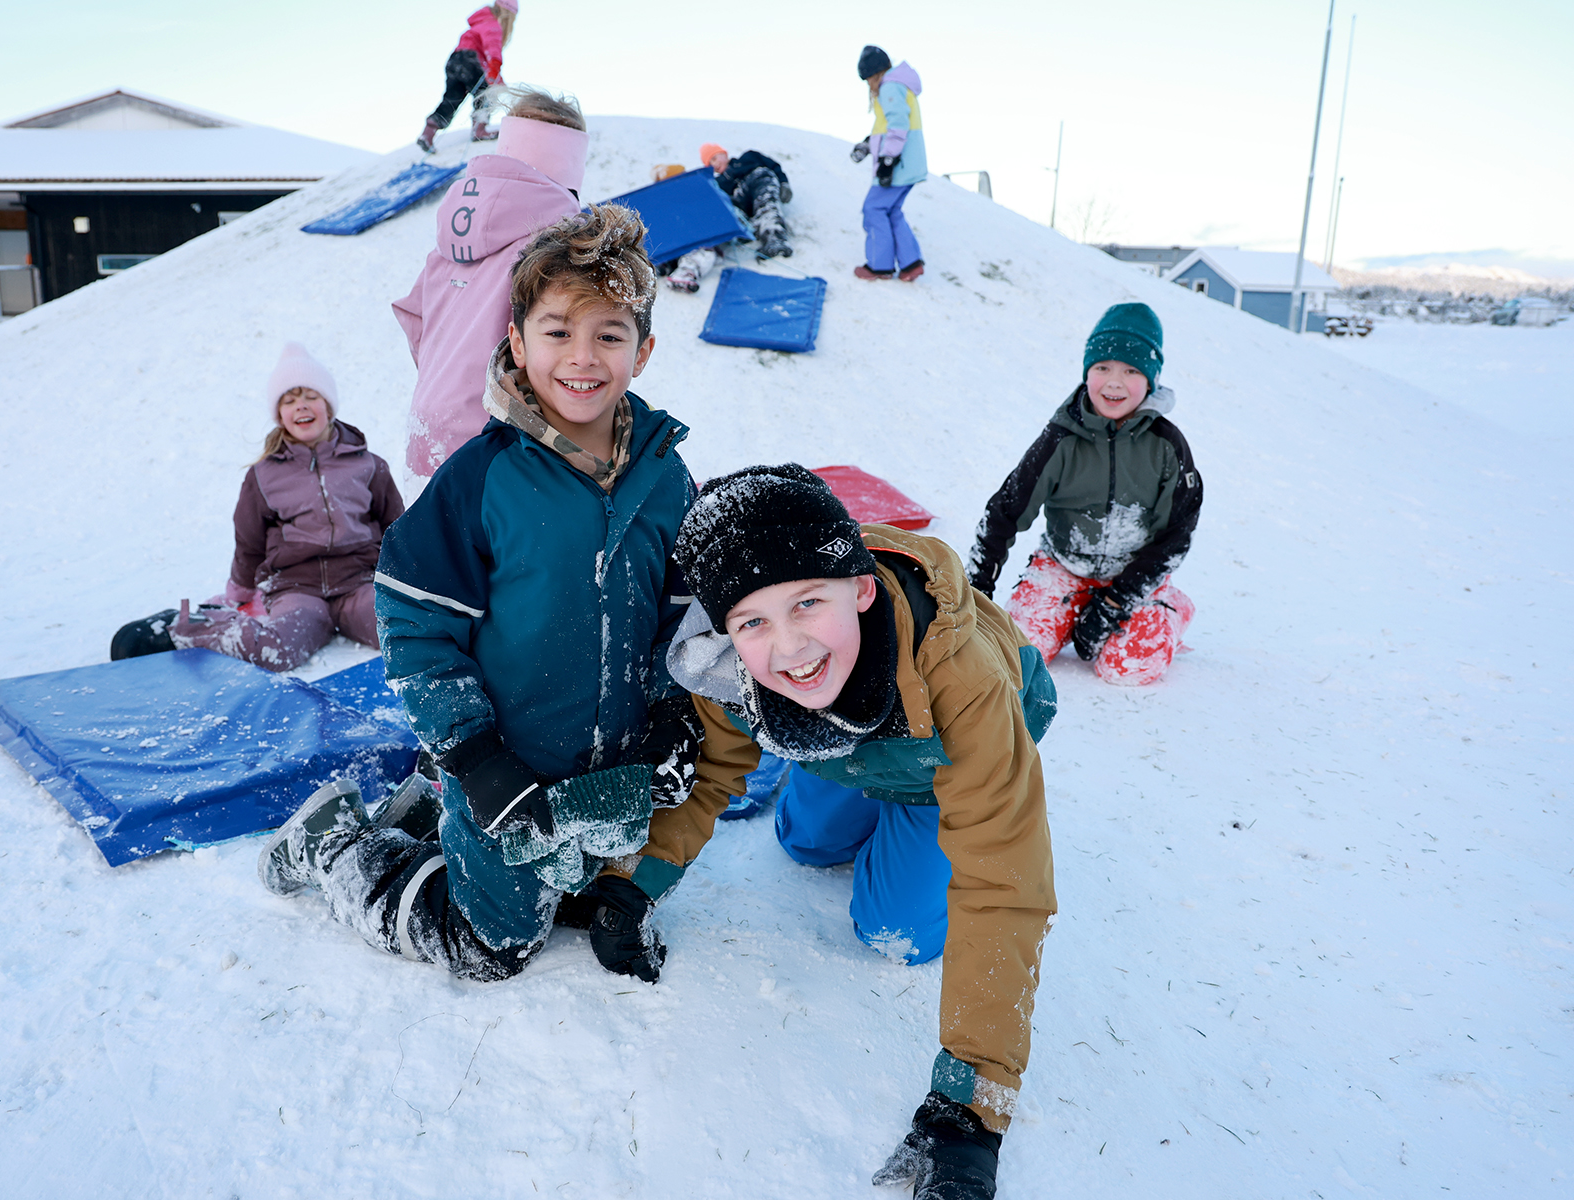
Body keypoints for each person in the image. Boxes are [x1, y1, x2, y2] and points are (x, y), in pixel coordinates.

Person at [260, 205, 700, 985]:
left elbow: (675, 617)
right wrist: (472, 754)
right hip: (504, 769)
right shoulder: (483, 476)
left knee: (573, 894)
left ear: (644, 349)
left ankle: (421, 818)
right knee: (490, 946)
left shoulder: (665, 477)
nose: (582, 356)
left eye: (609, 333)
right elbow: (415, 623)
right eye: (558, 330)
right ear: (518, 341)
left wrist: (670, 712)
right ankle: (337, 842)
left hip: (606, 779)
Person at [651, 465, 1055, 1200]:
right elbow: (711, 767)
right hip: (856, 743)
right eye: (752, 622)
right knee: (803, 842)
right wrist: (634, 879)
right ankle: (847, 767)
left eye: (808, 603)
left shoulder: (962, 676)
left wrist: (972, 1103)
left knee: (896, 929)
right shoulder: (735, 667)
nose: (789, 646)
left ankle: (908, 815)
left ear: (861, 589)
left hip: (942, 761)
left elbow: (1002, 880)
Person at [966, 303, 1202, 686]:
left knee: (1126, 669)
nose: (1114, 382)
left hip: (1133, 574)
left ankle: (1171, 607)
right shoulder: (1061, 438)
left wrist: (1115, 603)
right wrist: (976, 590)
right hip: (1063, 566)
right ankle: (1066, 607)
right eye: (1102, 368)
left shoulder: (1166, 445)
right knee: (1015, 658)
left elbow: (1177, 534)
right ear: (1086, 372)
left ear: (1151, 380)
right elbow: (1006, 510)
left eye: (1131, 370)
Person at [152, 342, 404, 671]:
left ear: (328, 404)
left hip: (358, 583)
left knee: (402, 637)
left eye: (310, 396)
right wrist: (239, 592)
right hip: (298, 589)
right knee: (277, 652)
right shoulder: (264, 475)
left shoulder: (368, 465)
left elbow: (396, 528)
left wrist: (406, 581)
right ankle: (193, 626)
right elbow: (249, 541)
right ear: (280, 414)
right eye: (289, 400)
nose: (301, 406)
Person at [393, 87, 589, 481]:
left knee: (434, 539)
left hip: (429, 428)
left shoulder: (451, 235)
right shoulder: (557, 242)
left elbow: (414, 315)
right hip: (497, 444)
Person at [661, 143, 795, 293]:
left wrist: (784, 183)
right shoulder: (719, 183)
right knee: (713, 209)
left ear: (724, 154)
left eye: (714, 158)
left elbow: (773, 166)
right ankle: (673, 263)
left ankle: (774, 238)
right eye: (709, 163)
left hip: (757, 183)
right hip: (740, 213)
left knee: (763, 181)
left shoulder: (748, 158)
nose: (714, 165)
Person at [850, 45, 927, 282]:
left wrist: (888, 160)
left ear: (877, 74)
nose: (870, 87)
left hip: (899, 165)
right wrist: (867, 144)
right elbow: (886, 126)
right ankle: (910, 263)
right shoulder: (898, 86)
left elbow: (898, 124)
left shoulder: (890, 86)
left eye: (869, 80)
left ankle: (879, 265)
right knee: (891, 210)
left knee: (874, 209)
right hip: (909, 163)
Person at [418, 1, 518, 152]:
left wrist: (497, 78)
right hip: (470, 59)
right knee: (485, 93)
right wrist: (495, 74)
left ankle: (428, 132)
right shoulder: (492, 25)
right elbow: (492, 53)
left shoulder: (478, 23)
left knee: (453, 98)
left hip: (454, 60)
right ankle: (480, 129)